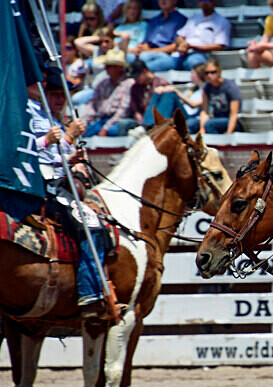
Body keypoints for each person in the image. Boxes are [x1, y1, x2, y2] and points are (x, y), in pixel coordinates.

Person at [28, 76, 110, 319]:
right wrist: (67, 139)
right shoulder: (31, 114)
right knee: (92, 224)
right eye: (54, 94)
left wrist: (71, 159)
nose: (59, 99)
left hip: (54, 179)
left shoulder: (50, 119)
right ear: (42, 92)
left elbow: (52, 159)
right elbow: (22, 149)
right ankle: (90, 292)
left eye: (62, 94)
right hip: (44, 185)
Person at [82, 49, 136, 137]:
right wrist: (84, 122)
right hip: (101, 120)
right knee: (87, 130)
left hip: (119, 122)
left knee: (112, 129)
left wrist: (106, 127)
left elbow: (124, 110)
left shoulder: (129, 84)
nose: (105, 68)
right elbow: (92, 105)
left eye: (109, 66)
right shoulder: (102, 83)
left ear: (119, 67)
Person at [142, 63, 205, 133]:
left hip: (191, 117)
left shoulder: (205, 91)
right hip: (181, 113)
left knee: (171, 94)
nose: (190, 76)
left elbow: (194, 105)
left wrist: (175, 91)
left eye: (193, 73)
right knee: (159, 92)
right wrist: (163, 89)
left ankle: (160, 123)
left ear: (199, 74)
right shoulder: (192, 89)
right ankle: (147, 124)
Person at [172, 0, 231, 71]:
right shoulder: (193, 18)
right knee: (162, 62)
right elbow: (180, 36)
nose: (204, 2)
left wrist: (192, 47)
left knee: (193, 63)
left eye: (208, 0)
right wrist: (182, 44)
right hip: (181, 54)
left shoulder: (222, 22)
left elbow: (219, 46)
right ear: (197, 2)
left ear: (214, 1)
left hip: (201, 55)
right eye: (201, 0)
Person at [130, 0, 188, 71]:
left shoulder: (181, 20)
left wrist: (151, 51)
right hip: (149, 53)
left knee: (145, 57)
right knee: (130, 57)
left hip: (168, 56)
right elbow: (146, 42)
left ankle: (136, 71)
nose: (163, 0)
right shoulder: (154, 20)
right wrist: (146, 49)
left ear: (175, 1)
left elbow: (175, 46)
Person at [199, 58, 242, 134]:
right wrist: (202, 129)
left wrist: (228, 135)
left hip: (232, 121)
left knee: (209, 124)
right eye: (206, 73)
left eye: (213, 72)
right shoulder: (206, 87)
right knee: (191, 124)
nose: (209, 75)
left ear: (219, 72)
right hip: (216, 119)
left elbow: (233, 114)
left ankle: (216, 144)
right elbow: (205, 111)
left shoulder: (230, 87)